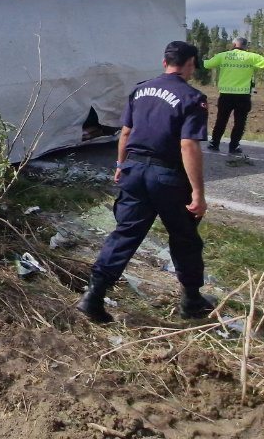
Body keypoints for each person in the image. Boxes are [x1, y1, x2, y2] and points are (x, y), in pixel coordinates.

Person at [77, 41, 214, 324]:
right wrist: (198, 193)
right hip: (167, 177)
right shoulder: (192, 97)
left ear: (165, 62)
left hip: (134, 170)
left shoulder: (140, 90)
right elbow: (188, 145)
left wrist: (120, 165)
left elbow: (126, 133)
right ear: (190, 64)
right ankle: (191, 300)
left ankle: (93, 296)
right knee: (185, 238)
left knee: (125, 233)